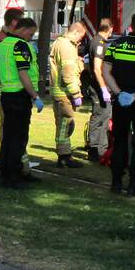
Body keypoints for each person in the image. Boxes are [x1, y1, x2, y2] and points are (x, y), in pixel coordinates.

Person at [0, 17, 42, 189]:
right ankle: (13, 177)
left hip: (7, 94)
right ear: (23, 29)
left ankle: (5, 173)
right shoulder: (20, 45)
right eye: (31, 33)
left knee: (8, 136)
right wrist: (35, 96)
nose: (31, 37)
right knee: (18, 138)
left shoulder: (2, 45)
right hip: (20, 96)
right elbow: (23, 73)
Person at [103, 14, 135, 195]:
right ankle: (134, 184)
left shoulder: (116, 44)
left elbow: (105, 71)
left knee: (119, 140)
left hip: (120, 100)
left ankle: (116, 182)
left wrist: (118, 92)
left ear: (131, 25)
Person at [49, 22, 86, 168]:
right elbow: (68, 73)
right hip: (65, 94)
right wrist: (76, 94)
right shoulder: (66, 46)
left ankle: (64, 154)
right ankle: (64, 156)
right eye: (80, 37)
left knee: (63, 125)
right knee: (66, 125)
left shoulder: (60, 42)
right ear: (75, 32)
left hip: (59, 92)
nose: (80, 41)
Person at [0, 8, 24, 161]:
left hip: (11, 90)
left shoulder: (5, 38)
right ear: (14, 22)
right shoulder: (2, 40)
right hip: (7, 91)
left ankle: (14, 161)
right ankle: (10, 160)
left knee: (14, 128)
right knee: (9, 128)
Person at [84, 19, 114, 162]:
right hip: (99, 88)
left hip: (99, 86)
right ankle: (94, 149)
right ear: (110, 29)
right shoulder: (99, 44)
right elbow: (97, 68)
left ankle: (101, 148)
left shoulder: (96, 41)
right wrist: (103, 88)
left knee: (105, 116)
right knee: (99, 117)